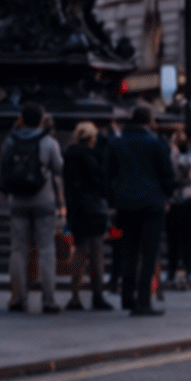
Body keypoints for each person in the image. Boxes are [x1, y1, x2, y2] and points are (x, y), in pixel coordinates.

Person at [0, 101, 66, 313]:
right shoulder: (48, 142)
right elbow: (58, 168)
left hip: (18, 200)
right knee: (46, 249)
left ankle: (18, 298)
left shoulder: (10, 140)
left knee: (18, 249)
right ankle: (48, 299)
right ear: (41, 119)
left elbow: (3, 167)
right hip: (43, 199)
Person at [106, 104, 175, 315]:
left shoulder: (116, 143)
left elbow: (107, 174)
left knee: (129, 250)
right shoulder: (155, 143)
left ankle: (127, 297)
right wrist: (166, 195)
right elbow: (167, 174)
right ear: (149, 122)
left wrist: (114, 198)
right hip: (152, 204)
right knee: (149, 253)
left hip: (125, 204)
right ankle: (143, 300)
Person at [62, 119, 113, 310]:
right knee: (96, 252)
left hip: (76, 209)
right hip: (94, 209)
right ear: (92, 138)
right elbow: (101, 184)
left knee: (79, 251)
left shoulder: (68, 155)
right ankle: (97, 295)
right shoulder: (94, 157)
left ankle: (75, 296)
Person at [164, 127, 191, 286]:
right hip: (185, 199)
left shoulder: (173, 156)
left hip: (178, 199)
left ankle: (175, 270)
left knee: (176, 239)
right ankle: (185, 269)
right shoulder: (188, 156)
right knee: (184, 239)